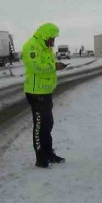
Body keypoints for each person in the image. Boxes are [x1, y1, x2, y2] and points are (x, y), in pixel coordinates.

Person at [22, 22, 68, 168]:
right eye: (52, 37)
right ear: (46, 35)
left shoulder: (47, 47)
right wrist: (55, 67)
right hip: (35, 93)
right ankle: (40, 158)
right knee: (39, 126)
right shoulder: (32, 46)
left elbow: (47, 66)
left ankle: (48, 153)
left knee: (48, 124)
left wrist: (56, 66)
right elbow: (35, 67)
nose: (53, 41)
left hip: (46, 92)